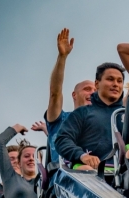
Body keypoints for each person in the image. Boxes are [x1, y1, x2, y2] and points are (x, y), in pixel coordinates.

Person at [53, 63, 125, 170]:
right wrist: (82, 156)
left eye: (119, 81)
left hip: (124, 174)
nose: (115, 84)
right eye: (110, 79)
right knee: (85, 170)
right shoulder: (81, 113)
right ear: (97, 84)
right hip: (88, 172)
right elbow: (62, 139)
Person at [44, 29, 95, 166]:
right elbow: (55, 94)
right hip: (65, 176)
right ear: (74, 95)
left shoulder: (104, 120)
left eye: (95, 90)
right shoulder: (61, 119)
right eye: (87, 89)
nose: (92, 93)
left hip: (100, 176)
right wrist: (62, 57)